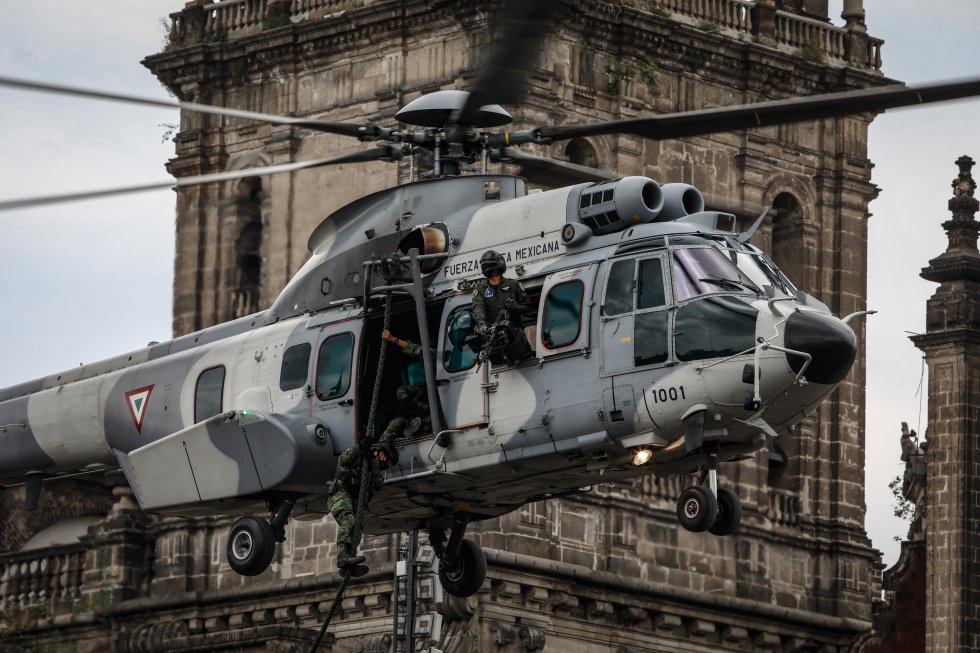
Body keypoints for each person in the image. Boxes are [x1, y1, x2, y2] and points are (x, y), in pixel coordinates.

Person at [328, 443, 391, 575]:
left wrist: (373, 461)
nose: (383, 459)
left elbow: (379, 484)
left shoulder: (373, 470)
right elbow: (343, 460)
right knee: (349, 520)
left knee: (357, 530)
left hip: (354, 501)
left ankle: (349, 561)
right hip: (341, 495)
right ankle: (342, 557)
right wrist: (360, 448)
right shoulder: (358, 456)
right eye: (383, 455)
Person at [380, 329, 431, 444]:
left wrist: (393, 339)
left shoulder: (436, 357)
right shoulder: (415, 379)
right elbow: (418, 351)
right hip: (423, 395)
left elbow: (420, 351)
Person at [470, 249, 532, 335]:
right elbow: (478, 309)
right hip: (493, 338)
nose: (490, 269)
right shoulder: (480, 289)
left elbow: (528, 307)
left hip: (515, 335)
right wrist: (482, 325)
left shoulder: (513, 284)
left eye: (492, 265)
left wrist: (516, 307)